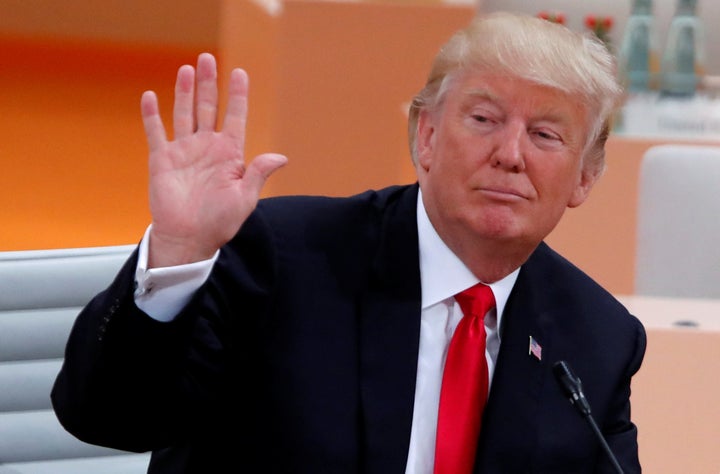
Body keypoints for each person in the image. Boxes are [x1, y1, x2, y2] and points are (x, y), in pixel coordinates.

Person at [52, 11, 646, 474]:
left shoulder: (597, 338)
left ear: (586, 177)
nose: (510, 155)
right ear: (427, 137)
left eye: (545, 134)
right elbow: (107, 418)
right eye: (484, 120)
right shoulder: (280, 258)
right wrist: (180, 255)